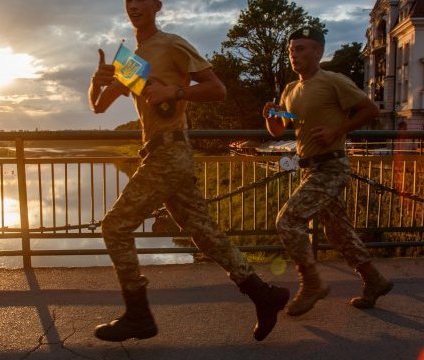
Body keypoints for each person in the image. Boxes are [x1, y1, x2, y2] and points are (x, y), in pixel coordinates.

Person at [88, 0, 289, 342]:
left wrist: (175, 90)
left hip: (170, 151)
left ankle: (138, 315)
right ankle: (264, 295)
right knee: (203, 232)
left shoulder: (171, 44)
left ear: (156, 6)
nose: (134, 5)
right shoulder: (131, 60)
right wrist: (96, 81)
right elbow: (99, 106)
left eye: (142, 0)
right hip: (159, 152)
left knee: (114, 226)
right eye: (129, 1)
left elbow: (217, 89)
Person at [263, 27, 393, 317]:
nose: (294, 55)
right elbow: (280, 129)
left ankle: (311, 283)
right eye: (292, 50)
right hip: (309, 169)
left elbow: (371, 110)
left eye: (301, 49)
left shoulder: (333, 81)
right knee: (337, 232)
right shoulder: (290, 90)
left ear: (318, 52)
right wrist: (271, 115)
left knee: (287, 220)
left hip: (332, 166)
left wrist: (337, 129)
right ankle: (375, 281)